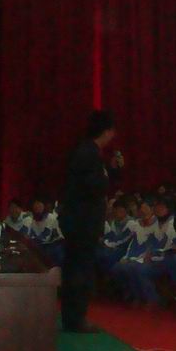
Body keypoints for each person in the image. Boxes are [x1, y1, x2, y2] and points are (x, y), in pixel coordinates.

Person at [58, 110, 119, 332]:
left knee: (76, 268)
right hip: (82, 223)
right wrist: (108, 174)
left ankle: (73, 316)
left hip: (78, 221)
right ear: (106, 131)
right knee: (80, 270)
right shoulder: (89, 154)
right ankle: (76, 317)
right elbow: (92, 187)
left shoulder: (85, 151)